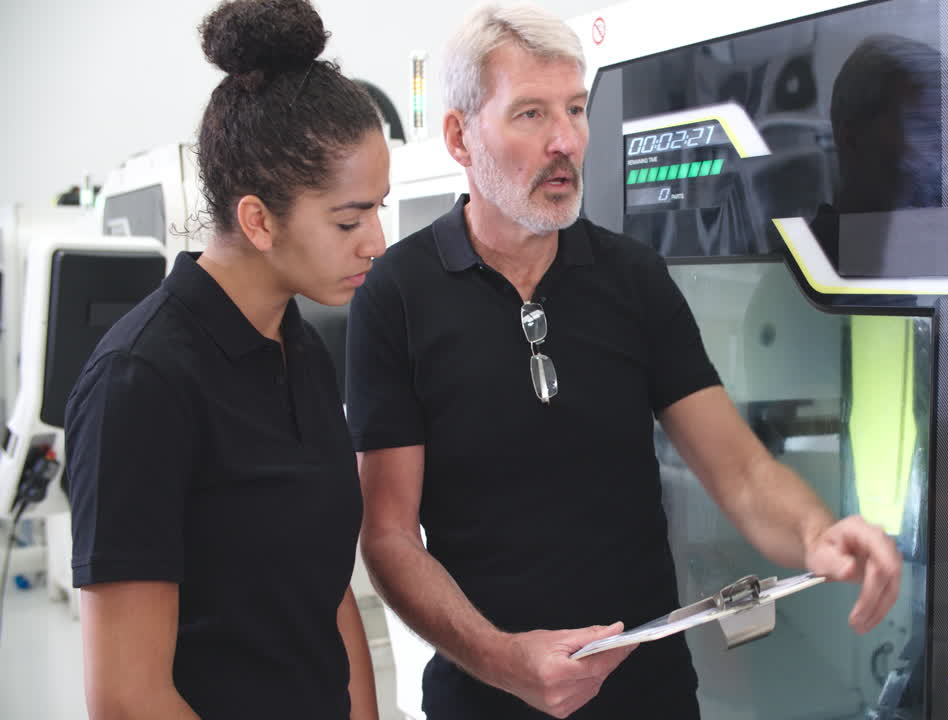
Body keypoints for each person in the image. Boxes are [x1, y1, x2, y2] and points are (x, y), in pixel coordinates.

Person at [346, 4, 903, 719]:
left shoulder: (632, 279)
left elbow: (740, 471)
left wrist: (816, 534)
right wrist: (504, 661)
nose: (566, 141)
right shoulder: (396, 297)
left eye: (576, 109)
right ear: (459, 135)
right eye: (530, 115)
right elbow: (390, 535)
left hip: (649, 695)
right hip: (487, 700)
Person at [62, 1, 388, 717]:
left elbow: (325, 594)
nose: (378, 241)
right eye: (350, 218)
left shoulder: (299, 348)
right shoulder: (141, 382)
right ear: (257, 219)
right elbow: (127, 697)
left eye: (379, 208)